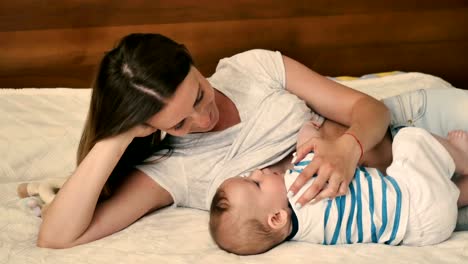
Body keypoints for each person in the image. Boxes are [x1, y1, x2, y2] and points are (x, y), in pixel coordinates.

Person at [36, 33, 468, 248]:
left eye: (199, 95)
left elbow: (372, 110)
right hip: (413, 200)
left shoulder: (251, 69)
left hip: (413, 124)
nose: (204, 118)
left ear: (194, 64)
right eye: (180, 122)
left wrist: (347, 148)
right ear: (149, 128)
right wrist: (118, 134)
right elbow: (55, 237)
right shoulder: (172, 171)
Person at [209, 124, 468, 255]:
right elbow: (312, 148)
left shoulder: (308, 234)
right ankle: (461, 155)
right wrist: (307, 129)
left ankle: (461, 192)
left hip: (425, 231)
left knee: (439, 194)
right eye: (255, 183)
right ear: (277, 217)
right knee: (409, 139)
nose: (258, 171)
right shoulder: (299, 186)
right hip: (417, 198)